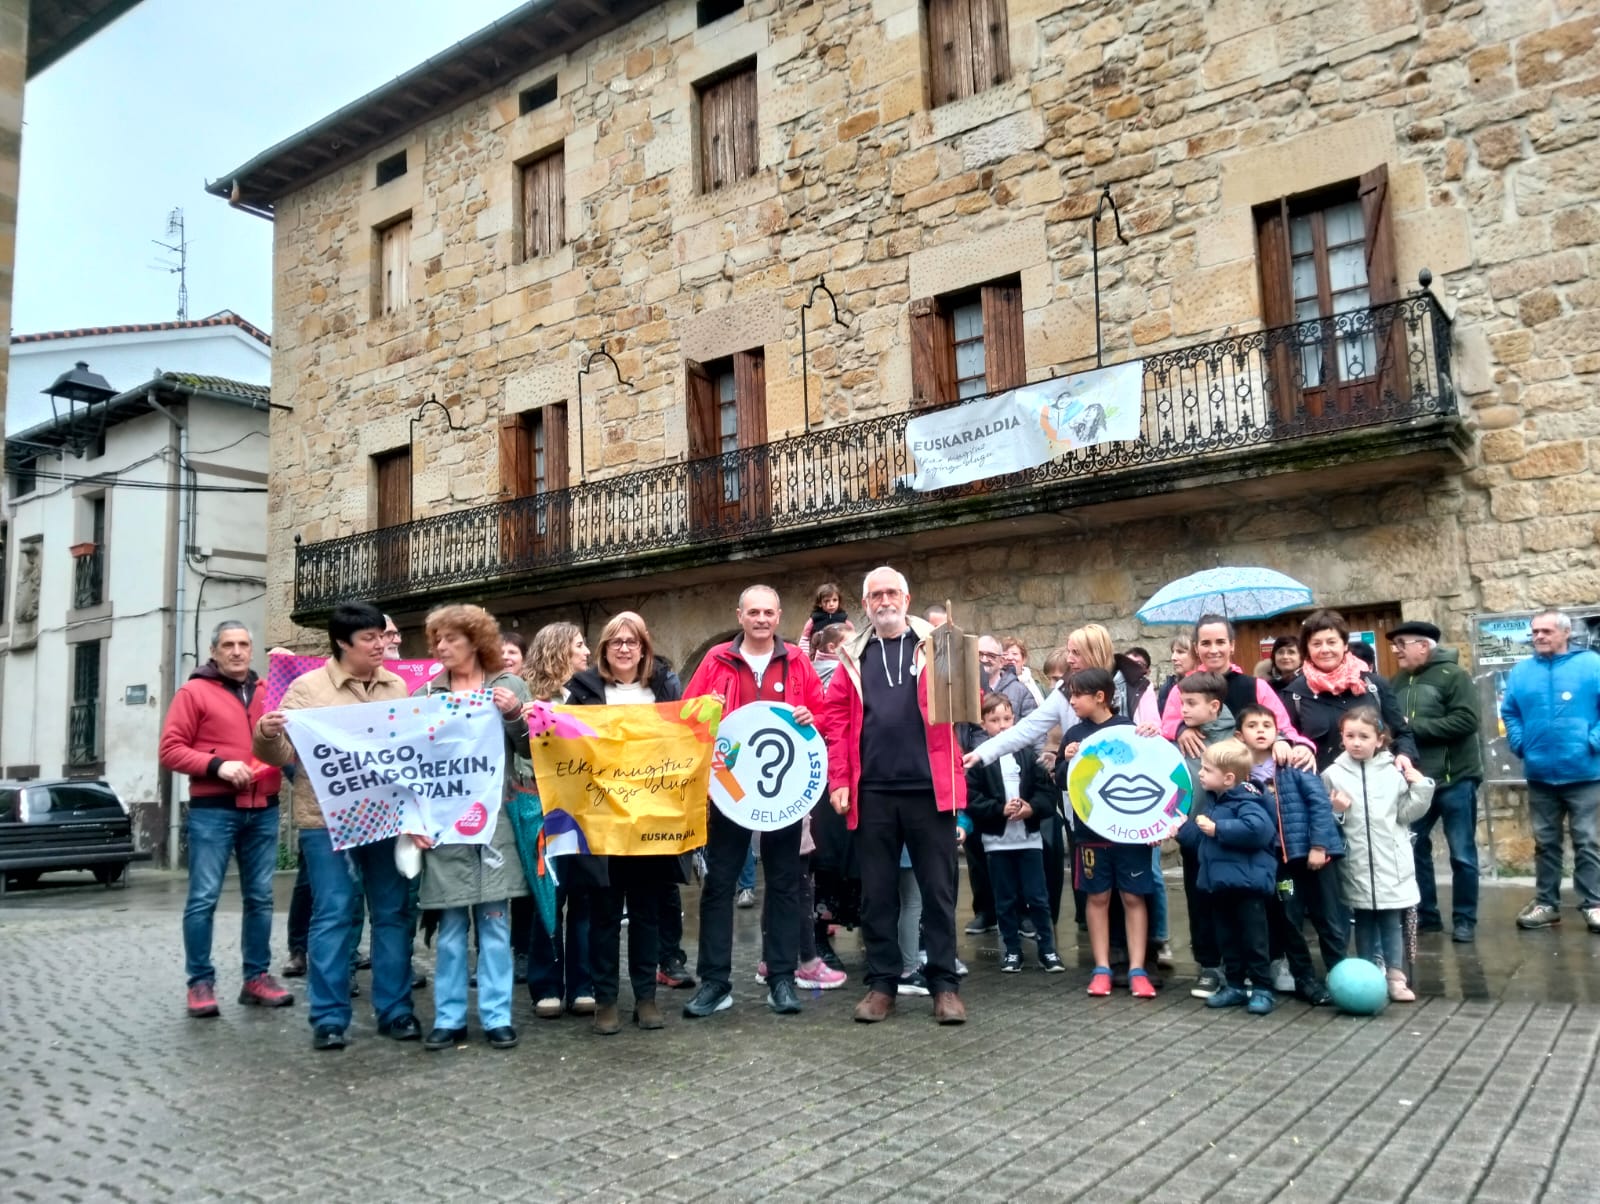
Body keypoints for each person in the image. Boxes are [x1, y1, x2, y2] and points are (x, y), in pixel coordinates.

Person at [254, 601, 418, 1051]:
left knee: (392, 913)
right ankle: (328, 1018)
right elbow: (281, 755)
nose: (381, 645)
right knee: (334, 913)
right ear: (343, 643)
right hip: (325, 821)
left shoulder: (397, 686)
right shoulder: (307, 690)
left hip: (385, 819)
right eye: (370, 638)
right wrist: (267, 734)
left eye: (383, 636)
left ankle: (396, 1010)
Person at [820, 566, 968, 1025]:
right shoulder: (851, 655)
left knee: (938, 893)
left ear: (906, 598)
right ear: (865, 605)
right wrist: (839, 780)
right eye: (875, 595)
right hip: (873, 792)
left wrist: (958, 659)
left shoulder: (938, 644)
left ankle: (944, 985)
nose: (884, 601)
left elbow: (967, 703)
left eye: (891, 593)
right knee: (877, 895)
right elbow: (836, 721)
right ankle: (882, 985)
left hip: (931, 788)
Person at [682, 585, 825, 1018]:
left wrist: (810, 716)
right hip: (728, 791)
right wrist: (707, 711)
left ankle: (781, 979)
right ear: (739, 616)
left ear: (778, 617)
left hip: (783, 794)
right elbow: (688, 715)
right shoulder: (716, 660)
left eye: (768, 613)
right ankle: (714, 982)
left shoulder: (797, 661)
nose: (761, 619)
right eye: (753, 612)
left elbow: (821, 716)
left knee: (784, 884)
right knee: (719, 885)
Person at [411, 605, 530, 1051]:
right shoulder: (426, 694)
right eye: (437, 639)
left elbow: (534, 749)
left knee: (496, 925)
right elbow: (413, 766)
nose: (441, 647)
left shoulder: (509, 687)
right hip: (445, 830)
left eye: (451, 638)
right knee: (450, 928)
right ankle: (449, 1018)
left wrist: (515, 715)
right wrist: (415, 823)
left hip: (494, 825)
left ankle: (497, 1017)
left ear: (475, 641)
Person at [564, 611, 690, 1033]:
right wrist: (532, 718)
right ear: (604, 649)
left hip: (650, 819)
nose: (623, 648)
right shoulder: (583, 692)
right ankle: (605, 1001)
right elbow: (562, 742)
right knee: (602, 914)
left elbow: (684, 737)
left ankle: (645, 998)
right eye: (615, 641)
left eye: (630, 641)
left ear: (643, 647)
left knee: (646, 913)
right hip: (601, 820)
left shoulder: (663, 688)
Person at [159, 619, 291, 1018]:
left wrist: (291, 672)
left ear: (251, 650)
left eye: (243, 645)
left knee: (261, 898)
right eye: (228, 645)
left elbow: (292, 736)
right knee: (203, 898)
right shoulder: (193, 692)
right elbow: (170, 749)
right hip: (213, 811)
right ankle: (200, 982)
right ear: (214, 652)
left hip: (263, 808)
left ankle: (256, 978)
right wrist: (218, 766)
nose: (236, 651)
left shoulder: (270, 692)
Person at [1050, 668, 1156, 998]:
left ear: (1100, 697)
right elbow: (1060, 781)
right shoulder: (1073, 734)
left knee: (1133, 897)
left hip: (1130, 835)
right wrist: (1067, 761)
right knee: (1097, 897)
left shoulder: (1129, 729)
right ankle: (1101, 968)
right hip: (1090, 833)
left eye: (1076, 694)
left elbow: (1152, 770)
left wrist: (1153, 735)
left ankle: (1138, 970)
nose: (1071, 701)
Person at [1235, 704, 1344, 1005]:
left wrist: (1319, 846)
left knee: (1328, 918)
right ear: (1239, 735)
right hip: (1279, 862)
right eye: (1252, 726)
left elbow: (1320, 805)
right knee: (1290, 920)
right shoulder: (1241, 774)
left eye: (1267, 726)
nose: (1260, 731)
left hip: (1315, 856)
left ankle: (1340, 975)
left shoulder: (1294, 763)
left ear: (1277, 732)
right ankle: (1305, 980)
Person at [1324, 706, 1435, 1002]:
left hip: (1391, 861)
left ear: (1379, 739)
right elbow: (1325, 820)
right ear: (1342, 737)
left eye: (1364, 736)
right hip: (1356, 862)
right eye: (1350, 736)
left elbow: (1406, 814)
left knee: (1390, 918)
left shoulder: (1393, 772)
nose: (1356, 742)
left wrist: (1421, 787)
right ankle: (1369, 975)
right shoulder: (1332, 774)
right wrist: (1337, 812)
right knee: (1363, 919)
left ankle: (1396, 977)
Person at [1500, 610, 1600, 933]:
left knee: (1588, 842)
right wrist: (1521, 743)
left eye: (1546, 631)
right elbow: (1510, 711)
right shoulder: (1522, 671)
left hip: (1585, 774)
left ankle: (1594, 904)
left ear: (1566, 633)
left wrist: (1593, 741)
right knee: (1545, 843)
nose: (1539, 637)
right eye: (1535, 632)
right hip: (1540, 774)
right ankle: (1547, 904)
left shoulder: (1592, 665)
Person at [1387, 620, 1482, 943]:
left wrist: (1412, 726)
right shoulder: (1397, 681)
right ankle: (1427, 917)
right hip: (1416, 783)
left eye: (1402, 643)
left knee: (1462, 854)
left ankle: (1465, 920)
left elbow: (1467, 721)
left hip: (1456, 779)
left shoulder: (1454, 676)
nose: (1396, 650)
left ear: (1424, 646)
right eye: (1395, 645)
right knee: (1413, 849)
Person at [520, 622, 597, 1018]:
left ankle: (583, 984)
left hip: (586, 811)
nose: (587, 651)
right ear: (559, 650)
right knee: (548, 897)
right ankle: (546, 986)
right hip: (544, 812)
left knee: (584, 898)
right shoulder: (530, 698)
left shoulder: (591, 695)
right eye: (580, 645)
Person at [1176, 739, 1279, 1014]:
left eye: (1207, 770)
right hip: (1219, 886)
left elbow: (1258, 830)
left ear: (1229, 778)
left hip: (1247, 887)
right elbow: (1200, 839)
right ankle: (1234, 985)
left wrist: (1218, 828)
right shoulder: (1214, 801)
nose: (1200, 774)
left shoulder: (1248, 800)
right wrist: (1181, 830)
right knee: (1227, 938)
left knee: (1254, 940)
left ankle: (1262, 988)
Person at [1148, 670, 1235, 998]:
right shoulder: (1176, 742)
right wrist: (1165, 823)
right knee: (1199, 903)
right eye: (1181, 702)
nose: (1182, 709)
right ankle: (1208, 966)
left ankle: (1237, 966)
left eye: (1190, 703)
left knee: (1231, 903)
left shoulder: (1235, 739)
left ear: (1214, 706)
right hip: (1194, 839)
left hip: (1229, 839)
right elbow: (1173, 786)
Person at [964, 694, 1064, 974]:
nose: (1003, 726)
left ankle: (1048, 949)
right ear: (983, 724)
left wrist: (1031, 809)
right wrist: (999, 810)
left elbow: (1046, 793)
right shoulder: (980, 760)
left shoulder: (1028, 756)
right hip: (997, 844)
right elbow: (972, 799)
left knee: (1038, 897)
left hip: (1029, 841)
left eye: (1007, 719)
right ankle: (1011, 950)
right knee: (1004, 900)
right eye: (995, 720)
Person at [1162, 614, 1317, 769]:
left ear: (1232, 645)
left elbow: (1283, 726)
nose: (1213, 650)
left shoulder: (1256, 686)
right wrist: (1180, 730)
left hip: (1251, 774)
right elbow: (1167, 724)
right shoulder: (1182, 689)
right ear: (1196, 648)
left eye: (1220, 642)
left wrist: (1288, 742)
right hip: (1200, 772)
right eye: (1206, 643)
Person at [1279, 609, 1417, 773]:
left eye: (1332, 642)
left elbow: (1402, 733)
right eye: (1316, 644)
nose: (1325, 649)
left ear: (1344, 645)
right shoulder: (1294, 694)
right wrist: (1299, 746)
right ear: (1307, 649)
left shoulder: (1375, 685)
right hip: (1319, 784)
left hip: (1375, 783)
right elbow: (1285, 737)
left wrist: (1404, 755)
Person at [978, 634, 1039, 725]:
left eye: (991, 655)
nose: (984, 659)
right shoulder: (962, 690)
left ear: (1001, 662)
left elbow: (1034, 727)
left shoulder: (1020, 691)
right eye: (979, 654)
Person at [797, 582, 848, 657]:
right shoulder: (814, 619)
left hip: (838, 658)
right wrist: (805, 657)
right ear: (819, 603)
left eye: (834, 600)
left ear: (839, 601)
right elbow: (805, 639)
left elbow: (852, 639)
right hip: (818, 657)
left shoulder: (843, 619)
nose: (831, 604)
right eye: (827, 601)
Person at [1156, 635, 1198, 715]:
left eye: (1180, 652)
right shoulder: (1167, 687)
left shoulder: (1209, 684)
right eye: (1173, 652)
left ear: (1196, 655)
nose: (1173, 658)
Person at [1003, 637, 1046, 704]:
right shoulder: (996, 685)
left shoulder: (1039, 687)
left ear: (1024, 659)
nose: (1010, 658)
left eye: (1014, 654)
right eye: (1005, 654)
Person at [811, 622, 851, 689]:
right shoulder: (838, 670)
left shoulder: (812, 666)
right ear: (831, 648)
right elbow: (833, 694)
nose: (856, 646)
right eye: (849, 643)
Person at [1266, 636, 1301, 702]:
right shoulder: (1266, 687)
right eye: (1280, 652)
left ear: (1301, 657)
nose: (1285, 656)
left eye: (1291, 652)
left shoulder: (1309, 684)